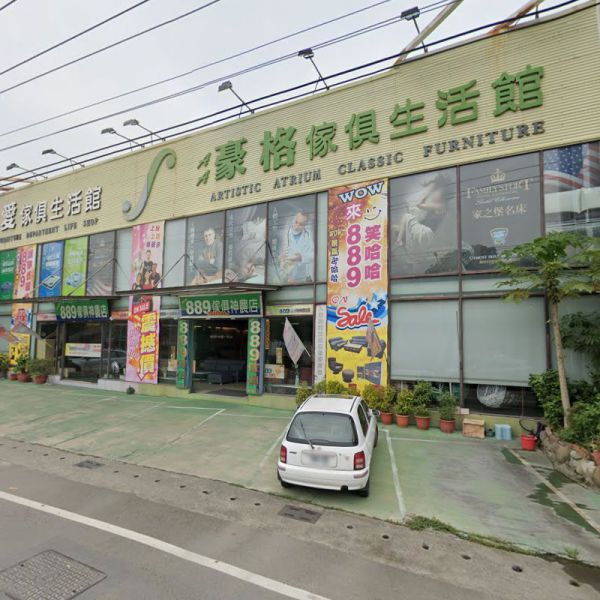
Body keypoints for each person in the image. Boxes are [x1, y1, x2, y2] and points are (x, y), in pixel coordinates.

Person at [391, 174, 455, 276]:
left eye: (436, 190)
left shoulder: (441, 205)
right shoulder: (439, 206)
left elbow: (419, 204)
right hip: (423, 233)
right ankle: (401, 245)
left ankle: (399, 242)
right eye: (434, 191)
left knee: (406, 216)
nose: (433, 194)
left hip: (425, 233)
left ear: (443, 193)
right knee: (396, 227)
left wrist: (429, 189)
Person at [279, 211, 313, 283]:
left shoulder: (309, 235)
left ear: (305, 225)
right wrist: (281, 257)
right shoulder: (285, 232)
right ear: (294, 219)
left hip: (303, 276)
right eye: (296, 222)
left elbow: (313, 255)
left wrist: (300, 257)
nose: (296, 226)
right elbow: (277, 255)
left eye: (301, 224)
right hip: (287, 276)